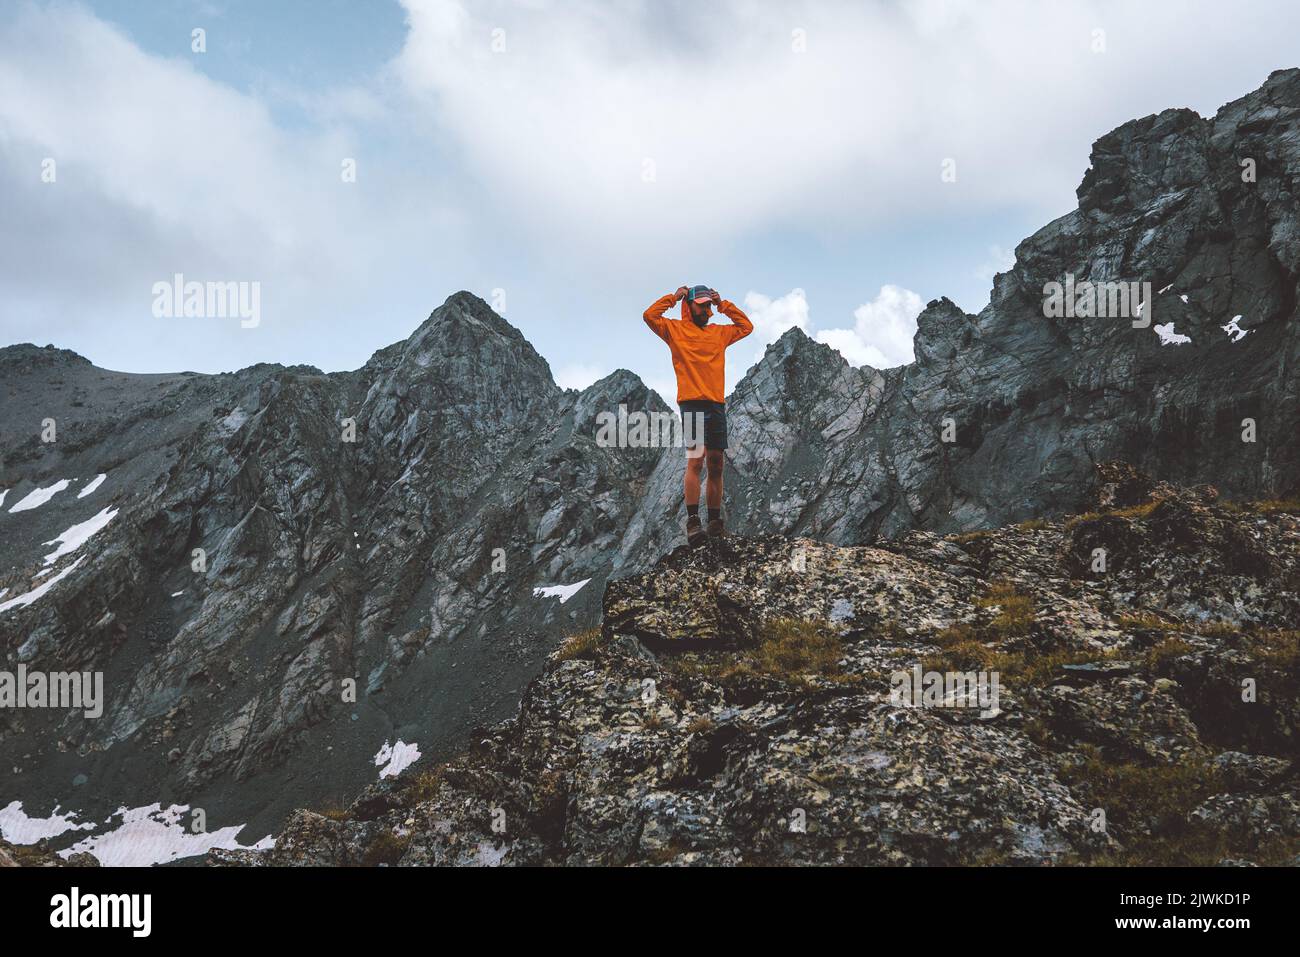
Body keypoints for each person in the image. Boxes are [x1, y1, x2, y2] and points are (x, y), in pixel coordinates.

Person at [642, 284, 753, 544]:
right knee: (696, 461)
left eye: (708, 305)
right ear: (689, 305)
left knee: (716, 463)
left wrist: (723, 303)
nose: (706, 309)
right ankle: (693, 524)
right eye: (701, 304)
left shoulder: (719, 333)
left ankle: (715, 523)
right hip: (691, 404)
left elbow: (746, 327)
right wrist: (673, 297)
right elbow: (649, 316)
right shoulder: (674, 330)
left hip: (716, 405)